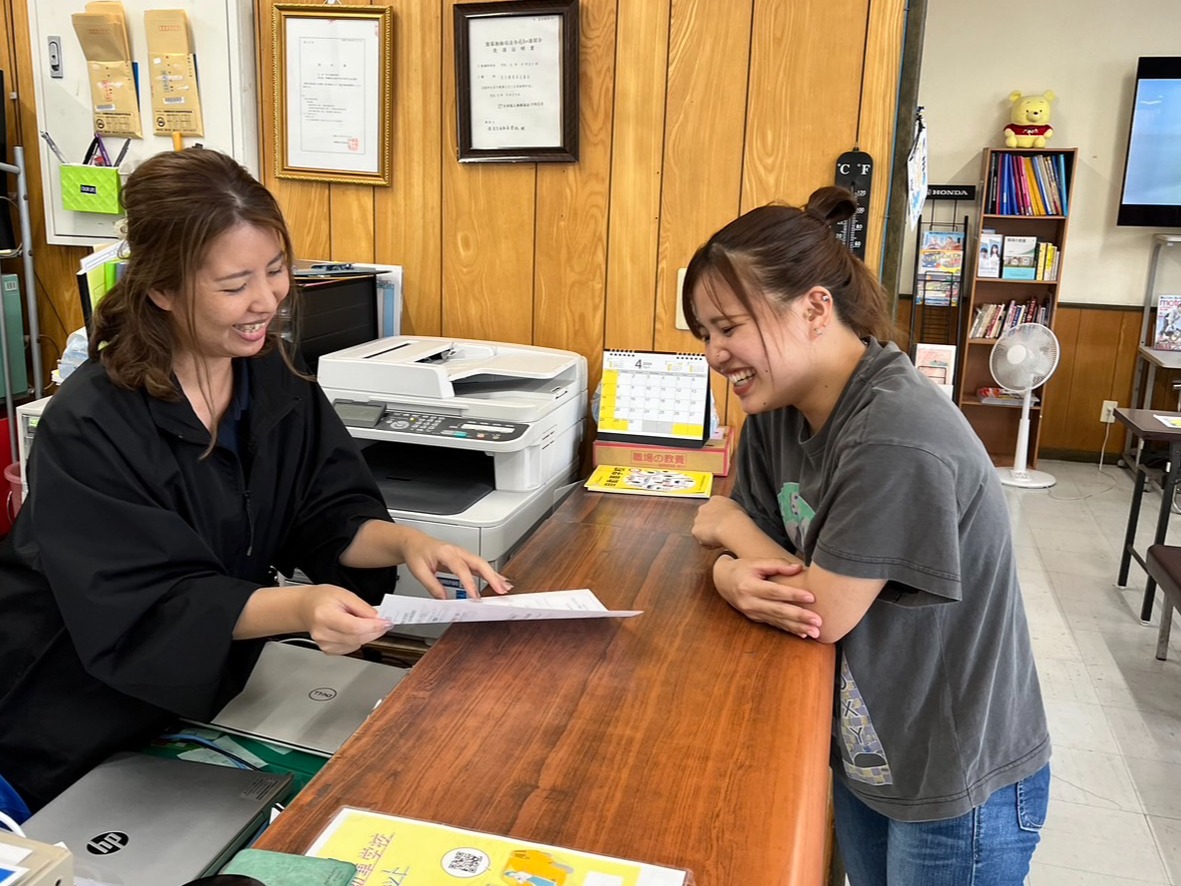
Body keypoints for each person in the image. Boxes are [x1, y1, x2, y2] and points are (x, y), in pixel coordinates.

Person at [0, 148, 510, 817]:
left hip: (186, 713)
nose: (266, 299)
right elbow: (152, 605)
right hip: (58, 719)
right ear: (162, 289)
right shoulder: (89, 425)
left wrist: (407, 544)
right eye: (234, 283)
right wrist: (301, 608)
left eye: (275, 270)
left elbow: (324, 513)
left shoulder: (267, 375)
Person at [682, 187, 1049, 884]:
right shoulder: (775, 413)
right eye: (703, 333)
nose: (713, 354)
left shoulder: (894, 433)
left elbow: (816, 610)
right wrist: (733, 568)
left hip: (953, 772)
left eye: (727, 327)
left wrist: (730, 538)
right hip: (868, 743)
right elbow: (760, 560)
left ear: (815, 308)